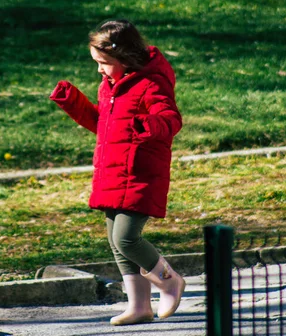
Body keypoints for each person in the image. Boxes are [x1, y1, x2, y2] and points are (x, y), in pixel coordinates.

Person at [49, 19, 185, 326]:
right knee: (115, 239)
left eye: (104, 63)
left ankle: (169, 281)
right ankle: (139, 306)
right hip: (112, 171)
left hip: (140, 173)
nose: (99, 69)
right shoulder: (108, 87)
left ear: (124, 58)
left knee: (126, 238)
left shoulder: (151, 84)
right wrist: (74, 104)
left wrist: (148, 126)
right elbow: (104, 125)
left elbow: (170, 119)